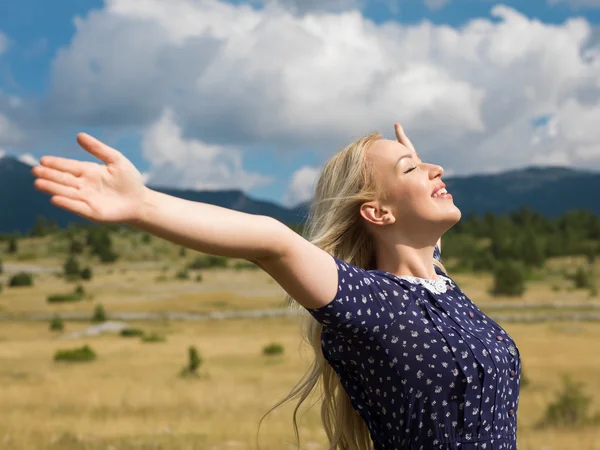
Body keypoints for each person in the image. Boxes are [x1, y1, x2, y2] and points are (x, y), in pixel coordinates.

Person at [31, 123, 521, 450]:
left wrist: (411, 168)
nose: (438, 169)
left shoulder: (442, 289)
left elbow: (419, 255)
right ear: (376, 212)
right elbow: (272, 241)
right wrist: (142, 204)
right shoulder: (371, 303)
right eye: (413, 169)